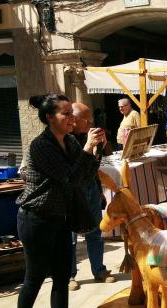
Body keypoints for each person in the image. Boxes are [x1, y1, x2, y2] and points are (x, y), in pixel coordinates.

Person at [15, 94, 104, 308]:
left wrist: (95, 150)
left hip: (61, 218)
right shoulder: (41, 146)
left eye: (70, 113)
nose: (72, 119)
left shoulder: (71, 143)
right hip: (36, 218)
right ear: (49, 118)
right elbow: (68, 178)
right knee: (34, 277)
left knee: (62, 277)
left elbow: (84, 177)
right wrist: (87, 148)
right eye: (65, 113)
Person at [68, 102, 116, 291]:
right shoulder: (66, 140)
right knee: (70, 237)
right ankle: (69, 275)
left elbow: (92, 168)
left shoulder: (86, 136)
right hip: (72, 192)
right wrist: (88, 146)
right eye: (87, 120)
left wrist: (98, 150)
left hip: (90, 188)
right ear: (75, 119)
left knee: (95, 232)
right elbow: (74, 170)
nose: (90, 124)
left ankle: (99, 270)